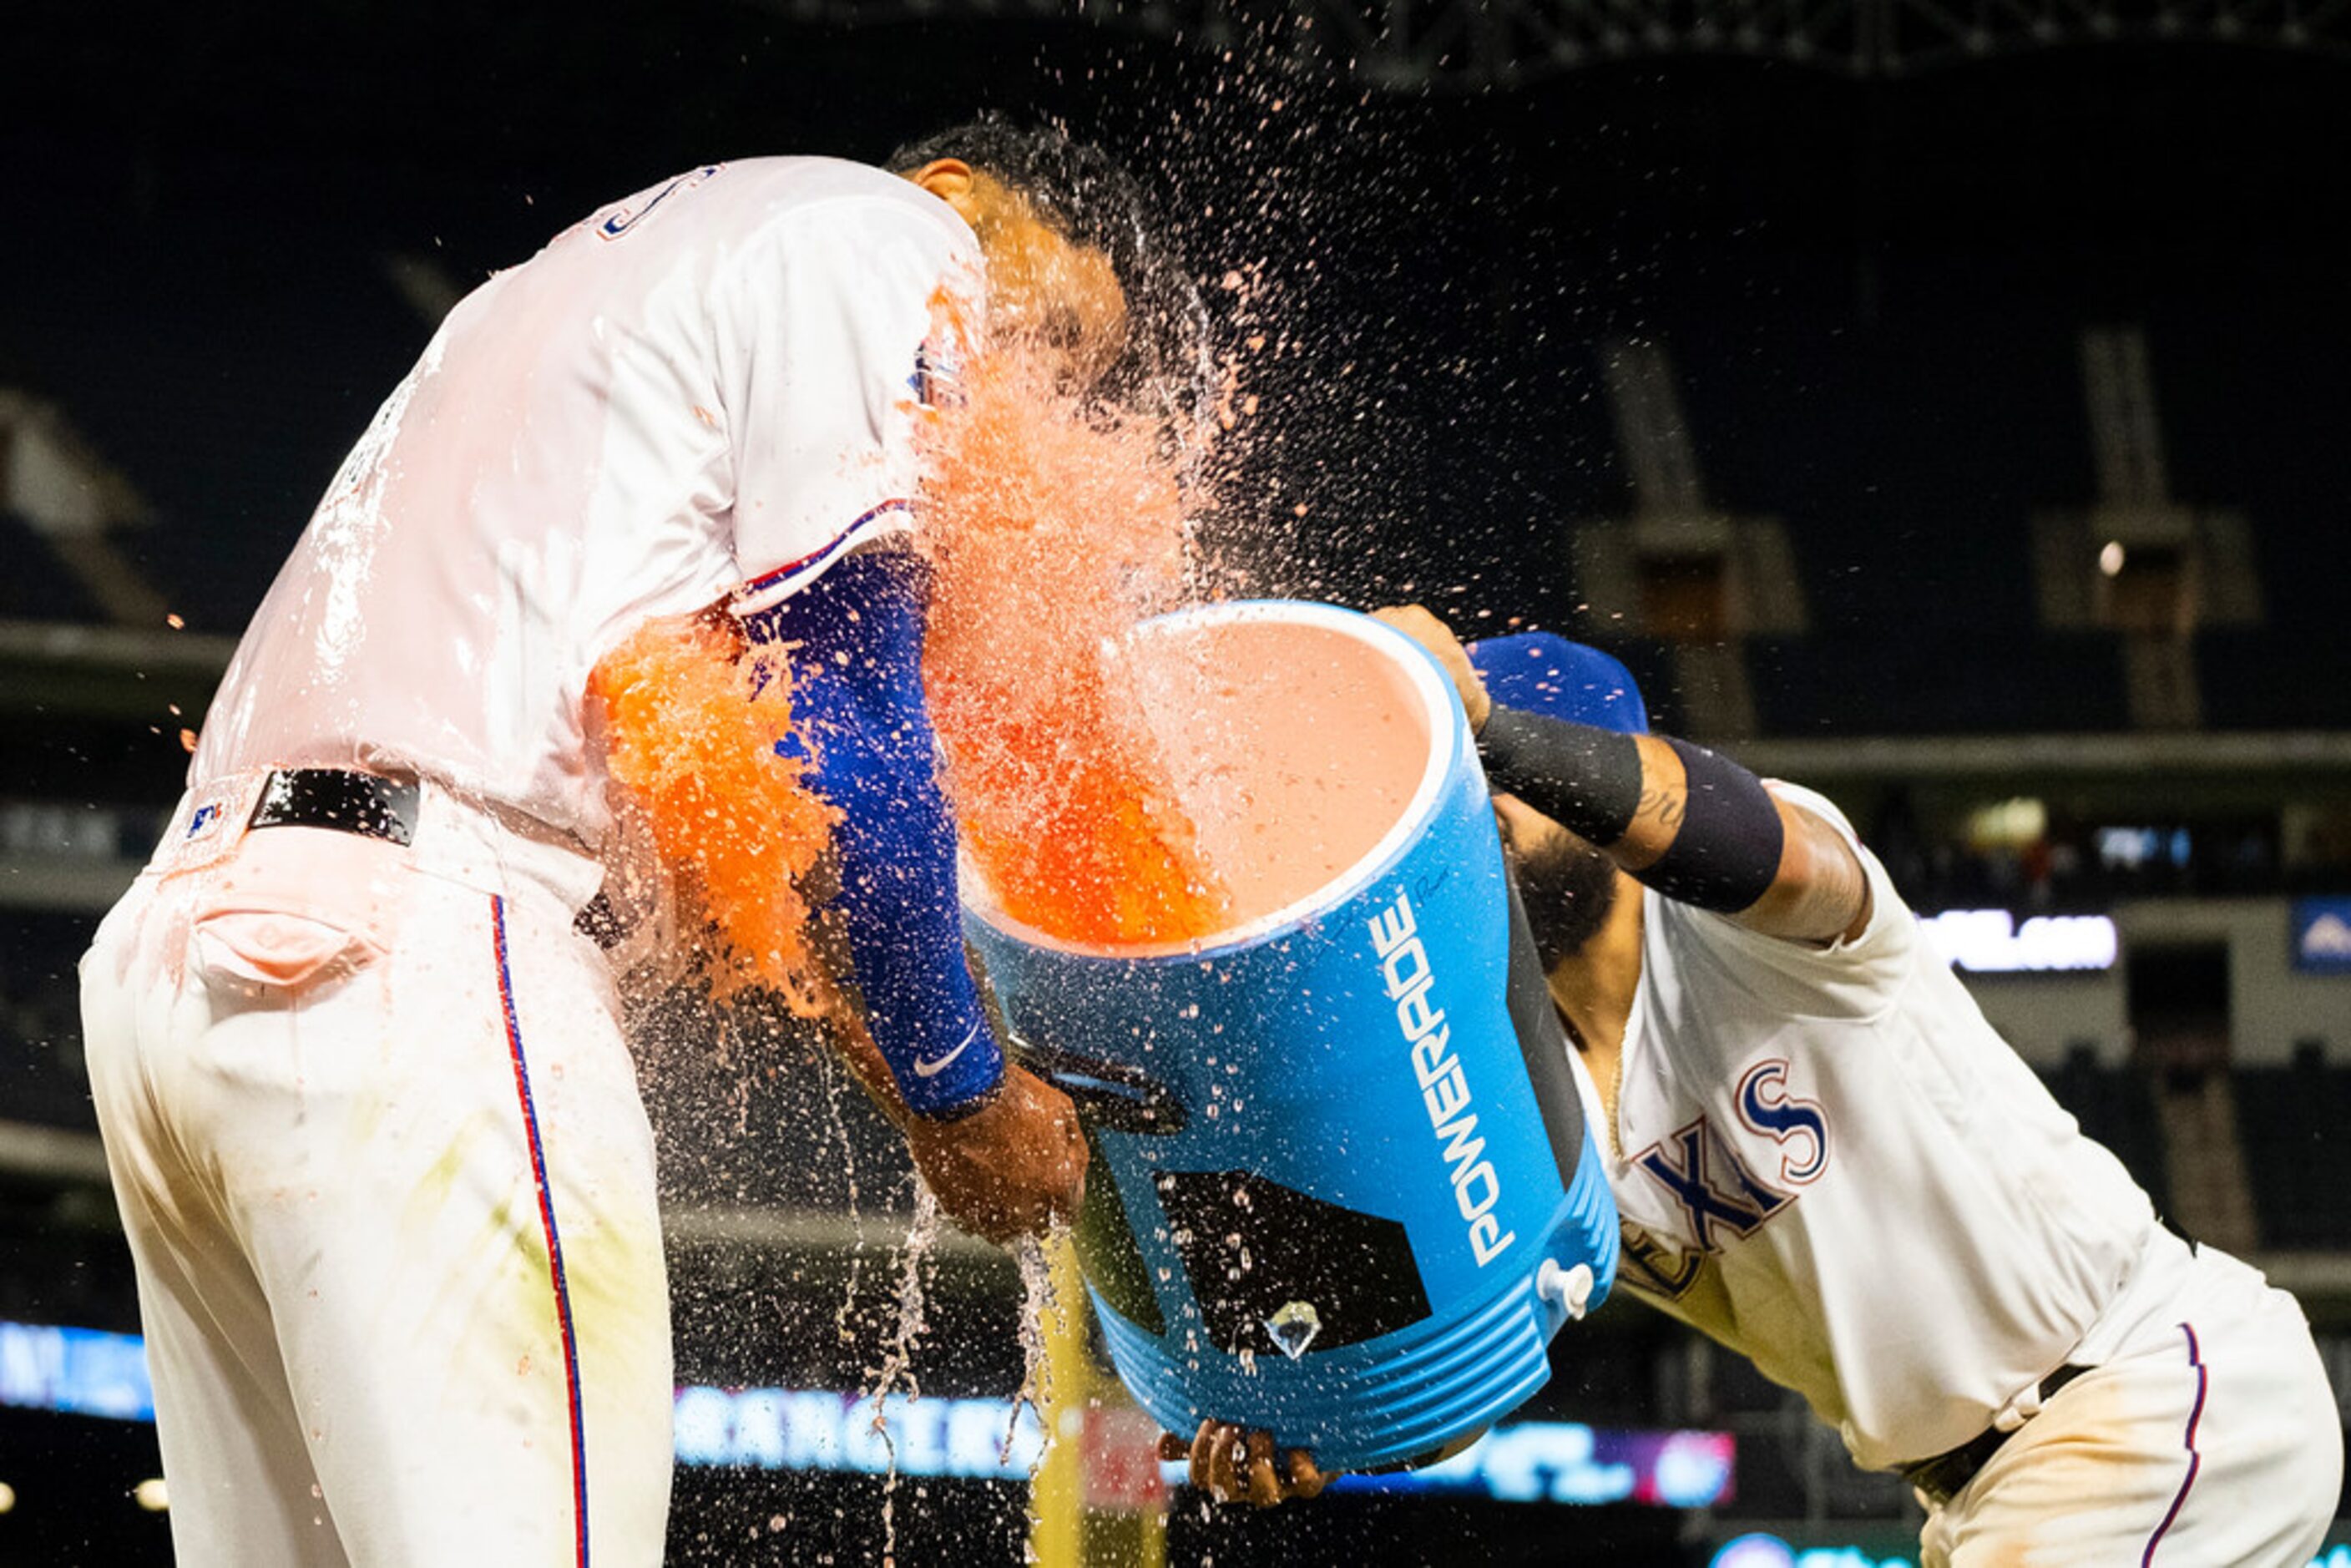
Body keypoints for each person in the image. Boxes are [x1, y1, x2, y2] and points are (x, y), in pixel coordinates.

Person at [78, 120, 1186, 1566]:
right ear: (962, 196)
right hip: (418, 965)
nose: (1029, 378)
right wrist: (961, 1086)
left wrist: (908, 1077)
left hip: (176, 964)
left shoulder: (585, 289)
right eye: (1053, 328)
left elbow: (729, 824)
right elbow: (858, 721)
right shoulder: (891, 241)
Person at [1174, 606, 2343, 1566]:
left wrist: (1482, 725)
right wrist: (1324, 1425)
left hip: (2149, 1386)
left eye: (1500, 795)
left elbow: (1772, 850)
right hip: (1987, 1497)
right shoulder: (1511, 1096)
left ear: (1586, 783)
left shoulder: (1741, 925)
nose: (1479, 830)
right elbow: (1478, 1355)